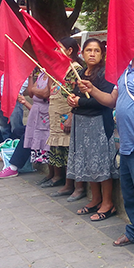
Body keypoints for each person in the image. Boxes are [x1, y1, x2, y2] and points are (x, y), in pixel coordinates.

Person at [79, 37, 134, 261]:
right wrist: (91, 88)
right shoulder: (126, 71)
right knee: (130, 193)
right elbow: (111, 100)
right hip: (127, 143)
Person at [66, 38, 119, 220]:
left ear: (102, 54)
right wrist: (72, 100)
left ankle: (108, 202)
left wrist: (80, 102)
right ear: (82, 53)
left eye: (96, 51)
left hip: (99, 124)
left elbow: (104, 101)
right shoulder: (80, 72)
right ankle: (95, 198)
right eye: (89, 50)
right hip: (81, 124)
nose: (92, 54)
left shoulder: (105, 74)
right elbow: (79, 97)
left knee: (101, 163)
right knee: (88, 161)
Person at [47, 37, 86, 201]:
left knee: (71, 152)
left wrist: (70, 116)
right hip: (56, 115)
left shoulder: (75, 69)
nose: (56, 51)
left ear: (70, 51)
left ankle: (77, 187)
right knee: (59, 150)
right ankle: (62, 181)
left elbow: (77, 95)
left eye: (59, 48)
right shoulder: (61, 68)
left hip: (67, 114)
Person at [0, 69, 50, 179]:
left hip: (46, 118)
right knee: (18, 131)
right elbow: (31, 92)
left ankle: (14, 167)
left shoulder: (52, 76)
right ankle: (9, 156)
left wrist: (34, 91)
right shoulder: (42, 75)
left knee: (27, 134)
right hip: (37, 115)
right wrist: (30, 78)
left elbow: (45, 93)